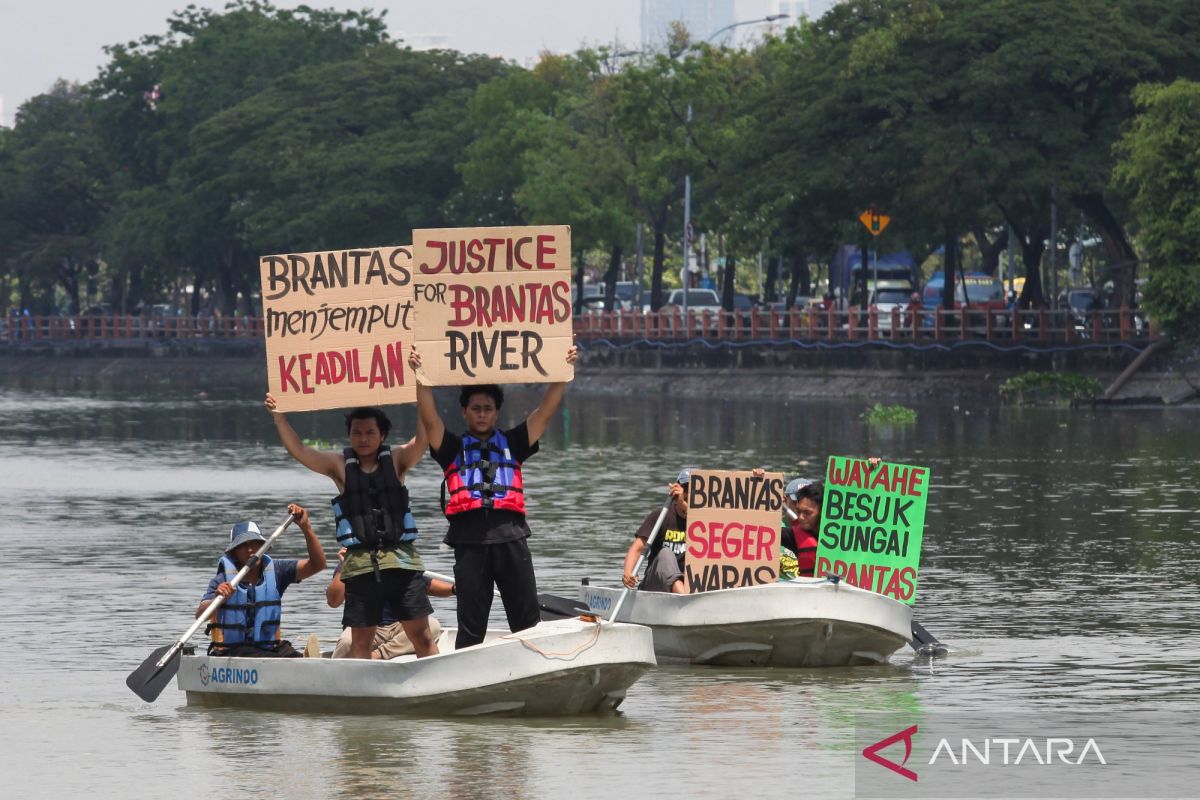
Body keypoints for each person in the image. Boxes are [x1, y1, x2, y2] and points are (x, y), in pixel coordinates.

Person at [408, 344, 579, 649]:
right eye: (476, 408)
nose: (483, 414)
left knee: (527, 622)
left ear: (497, 411)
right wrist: (420, 376)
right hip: (469, 543)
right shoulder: (450, 448)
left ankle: (535, 673)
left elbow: (546, 412)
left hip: (511, 539)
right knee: (471, 626)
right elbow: (430, 418)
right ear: (465, 412)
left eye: (488, 408)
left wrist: (563, 372)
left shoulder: (514, 442)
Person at [263, 393, 439, 659]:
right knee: (360, 643)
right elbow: (300, 451)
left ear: (382, 435)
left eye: (370, 432)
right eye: (356, 433)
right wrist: (278, 418)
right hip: (360, 566)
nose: (363, 438)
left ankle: (435, 688)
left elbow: (423, 437)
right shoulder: (339, 466)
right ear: (349, 436)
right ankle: (364, 695)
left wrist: (422, 391)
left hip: (401, 561)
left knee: (423, 636)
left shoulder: (398, 460)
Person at [197, 504, 327, 657]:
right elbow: (200, 615)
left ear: (262, 545)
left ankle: (305, 660)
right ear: (234, 552)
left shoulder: (277, 571)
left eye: (254, 543)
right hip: (232, 652)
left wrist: (306, 527)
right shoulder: (223, 579)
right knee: (256, 653)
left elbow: (318, 565)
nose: (251, 549)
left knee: (289, 653)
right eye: (243, 545)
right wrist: (218, 599)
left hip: (270, 649)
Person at [325, 548, 455, 659]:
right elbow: (333, 601)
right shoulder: (353, 560)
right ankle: (331, 671)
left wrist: (454, 589)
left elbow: (426, 585)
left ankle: (378, 654)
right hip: (364, 626)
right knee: (346, 642)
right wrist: (343, 567)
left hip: (400, 626)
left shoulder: (398, 560)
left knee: (433, 626)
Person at [621, 470, 691, 594]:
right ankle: (685, 598)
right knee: (666, 554)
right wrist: (628, 573)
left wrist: (688, 509)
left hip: (690, 584)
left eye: (694, 490)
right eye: (685, 488)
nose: (688, 493)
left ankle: (686, 596)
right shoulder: (660, 516)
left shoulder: (705, 522)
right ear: (677, 490)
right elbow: (637, 548)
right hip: (656, 583)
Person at [778, 479, 822, 580]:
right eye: (799, 511)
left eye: (807, 513)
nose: (801, 517)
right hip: (807, 593)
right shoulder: (793, 535)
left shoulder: (843, 533)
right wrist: (758, 482)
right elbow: (760, 528)